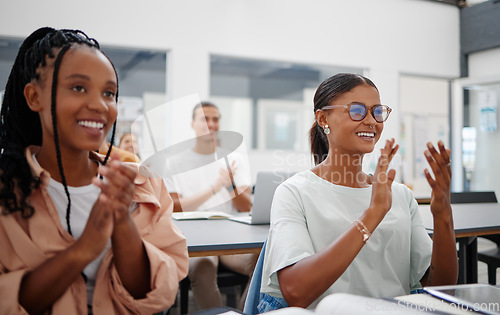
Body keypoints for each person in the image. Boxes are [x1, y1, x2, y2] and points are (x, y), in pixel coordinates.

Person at [0, 27, 188, 314]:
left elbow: (153, 297)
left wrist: (123, 225)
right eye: (78, 87)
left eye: (109, 93)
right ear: (34, 97)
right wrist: (83, 250)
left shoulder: (140, 184)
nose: (99, 105)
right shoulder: (6, 190)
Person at [259, 73, 458, 310]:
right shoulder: (294, 193)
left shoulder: (401, 195)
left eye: (377, 111)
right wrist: (372, 215)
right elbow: (296, 292)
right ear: (323, 119)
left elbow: (439, 287)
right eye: (357, 111)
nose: (371, 121)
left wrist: (443, 214)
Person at [164, 101, 257, 310]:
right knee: (202, 268)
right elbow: (175, 207)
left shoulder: (234, 159)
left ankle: (242, 312)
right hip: (196, 240)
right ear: (192, 124)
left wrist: (231, 184)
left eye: (215, 119)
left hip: (231, 238)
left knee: (262, 263)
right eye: (205, 119)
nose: (211, 124)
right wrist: (215, 188)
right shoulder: (174, 162)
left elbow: (245, 207)